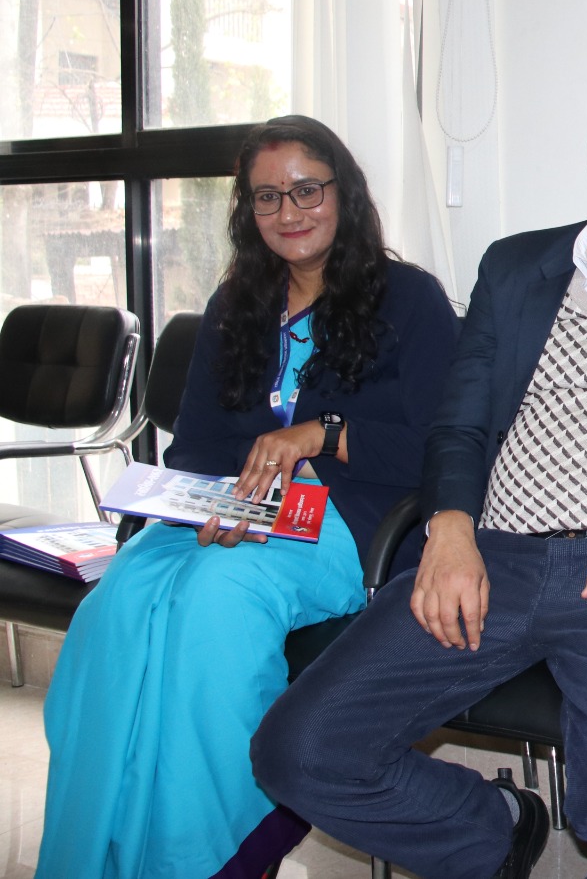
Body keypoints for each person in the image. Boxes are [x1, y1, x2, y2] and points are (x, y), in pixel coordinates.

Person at [252, 45, 587, 878]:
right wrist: (449, 529)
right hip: (489, 552)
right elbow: (458, 424)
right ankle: (492, 826)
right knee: (300, 749)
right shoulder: (513, 265)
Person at [37, 115, 460, 878]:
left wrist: (325, 435)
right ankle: (100, 848)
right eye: (267, 197)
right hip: (231, 510)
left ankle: (217, 852)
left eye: (306, 190)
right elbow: (195, 444)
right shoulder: (237, 304)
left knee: (215, 602)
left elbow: (448, 446)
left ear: (344, 193)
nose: (288, 211)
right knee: (115, 607)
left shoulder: (410, 300)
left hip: (349, 523)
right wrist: (213, 502)